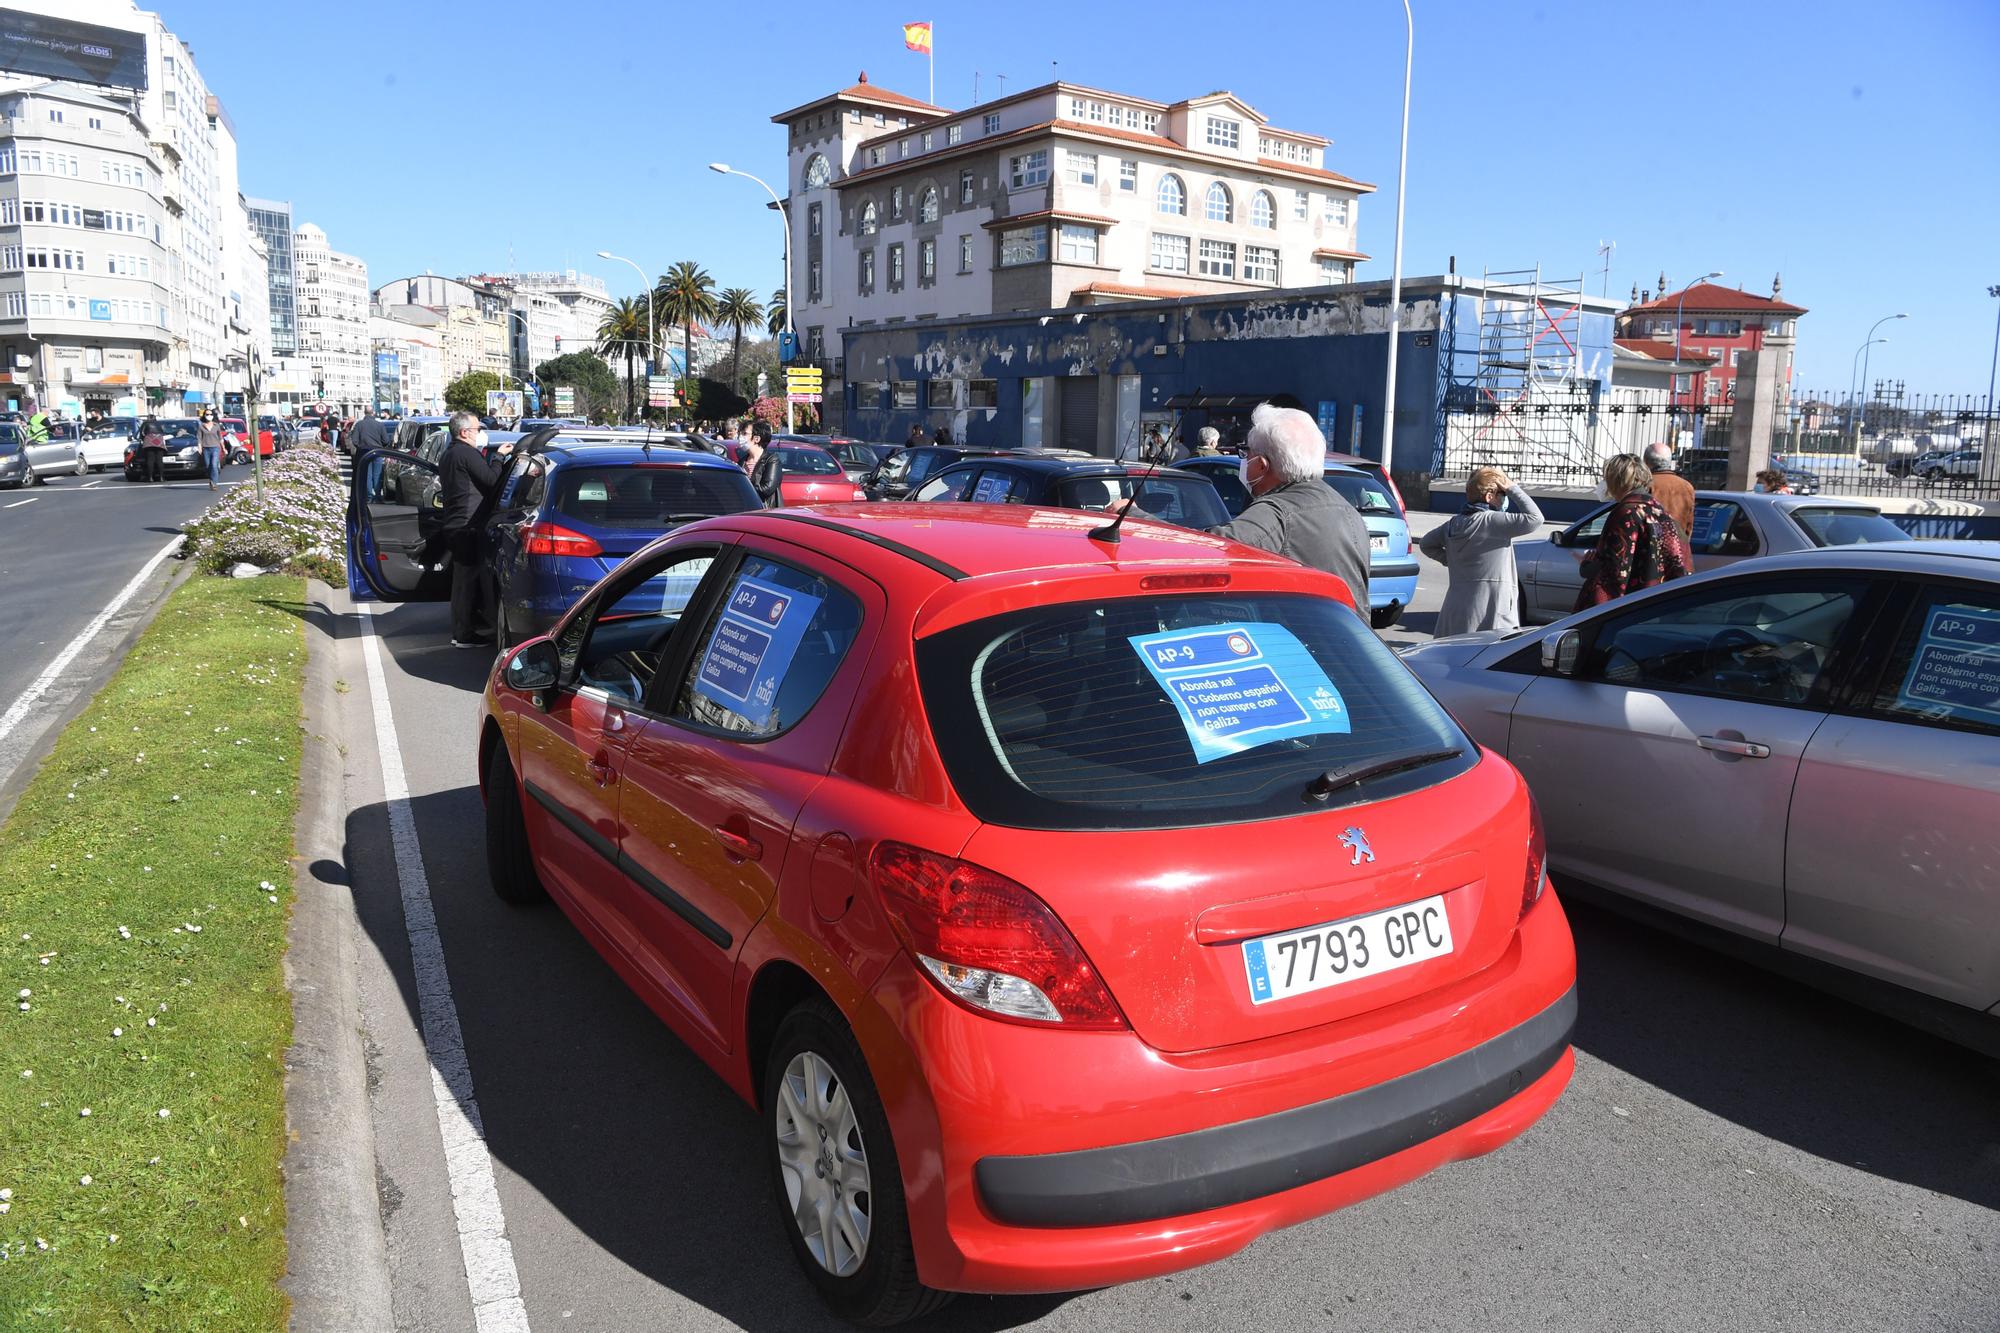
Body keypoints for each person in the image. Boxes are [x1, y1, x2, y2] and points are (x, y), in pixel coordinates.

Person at [1198, 402, 1371, 610]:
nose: (1244, 460)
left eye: (1246, 453)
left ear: (1261, 465)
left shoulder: (1275, 512)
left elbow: (1209, 548)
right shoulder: (1348, 511)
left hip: (1301, 637)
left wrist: (1149, 525)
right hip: (1350, 637)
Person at [1419, 466, 1545, 636]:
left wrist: (1450, 560)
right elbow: (1536, 518)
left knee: (1455, 657)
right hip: (1491, 611)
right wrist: (1513, 488)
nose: (1505, 498)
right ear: (1489, 496)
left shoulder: (1452, 525)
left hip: (1456, 610)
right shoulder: (1494, 522)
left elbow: (1426, 544)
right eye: (1503, 494)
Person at [1576, 453, 1693, 611]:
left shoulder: (1625, 512)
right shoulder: (1659, 511)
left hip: (1628, 609)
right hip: (1655, 605)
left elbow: (1613, 573)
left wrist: (1587, 566)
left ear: (1616, 480)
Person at [436, 411, 504, 647]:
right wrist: (499, 458)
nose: (480, 434)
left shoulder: (449, 454)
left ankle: (463, 629)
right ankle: (463, 634)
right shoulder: (467, 453)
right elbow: (493, 481)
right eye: (478, 429)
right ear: (464, 432)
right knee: (466, 581)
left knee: (463, 580)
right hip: (467, 526)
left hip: (457, 524)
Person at [1643, 442, 1695, 541]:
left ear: (1646, 462)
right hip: (1678, 545)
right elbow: (1689, 523)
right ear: (1669, 461)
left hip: (1651, 547)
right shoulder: (1687, 486)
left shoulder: (1645, 484)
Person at [742, 423, 783, 506]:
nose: (740, 437)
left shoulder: (771, 460)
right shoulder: (742, 461)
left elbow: (767, 489)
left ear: (756, 439)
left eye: (745, 434)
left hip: (765, 512)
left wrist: (742, 489)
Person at [197, 409, 224, 491]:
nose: (209, 416)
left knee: (214, 465)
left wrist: (223, 448)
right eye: (207, 414)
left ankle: (214, 483)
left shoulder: (216, 426)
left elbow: (220, 438)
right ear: (204, 416)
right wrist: (199, 447)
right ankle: (211, 480)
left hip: (215, 448)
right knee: (208, 466)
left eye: (210, 414)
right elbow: (199, 438)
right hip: (206, 448)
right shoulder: (201, 426)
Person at [138, 413, 167, 482]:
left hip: (149, 441)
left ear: (148, 418)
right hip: (159, 441)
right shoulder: (159, 424)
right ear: (155, 418)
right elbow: (163, 432)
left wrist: (143, 440)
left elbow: (141, 434)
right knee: (159, 460)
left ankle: (150, 477)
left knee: (150, 460)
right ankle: (161, 477)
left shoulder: (145, 423)